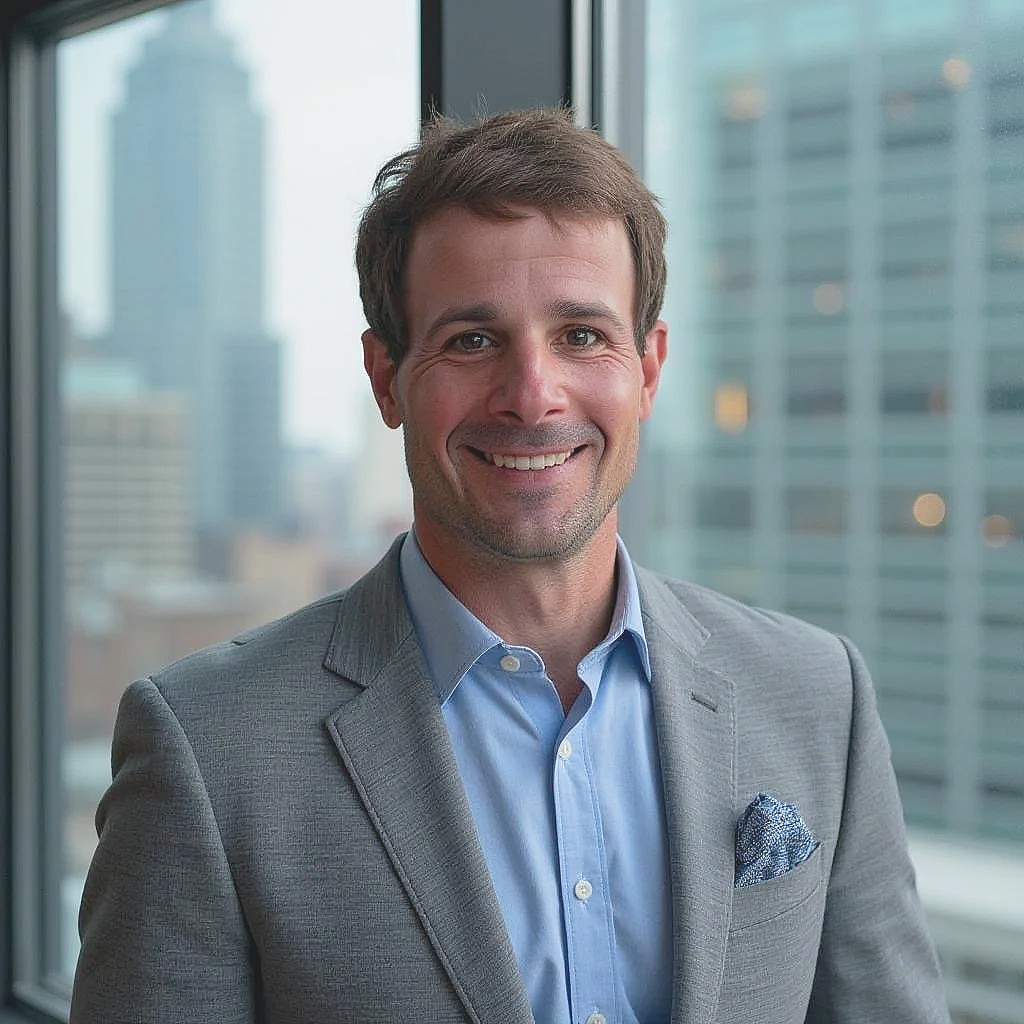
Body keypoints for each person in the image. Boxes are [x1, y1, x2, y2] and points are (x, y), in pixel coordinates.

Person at [71, 108, 951, 1024]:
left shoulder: (815, 695)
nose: (533, 395)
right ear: (386, 379)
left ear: (648, 369)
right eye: (472, 340)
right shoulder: (210, 748)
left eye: (582, 335)